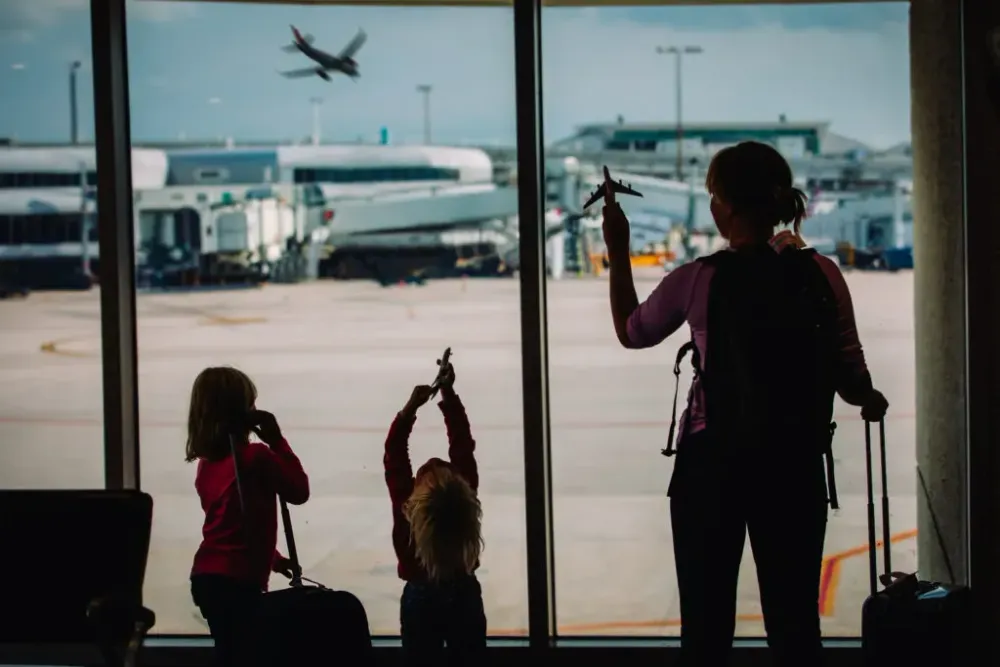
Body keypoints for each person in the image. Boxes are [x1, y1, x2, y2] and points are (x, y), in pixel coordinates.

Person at [601, 143, 889, 667]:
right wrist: (870, 398)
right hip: (794, 469)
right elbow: (852, 378)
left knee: (707, 629)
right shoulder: (820, 273)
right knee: (795, 624)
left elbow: (631, 330)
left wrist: (618, 248)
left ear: (726, 207)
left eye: (713, 195)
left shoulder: (699, 278)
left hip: (712, 469)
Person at [186, 366, 310, 667]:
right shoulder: (256, 457)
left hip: (208, 575)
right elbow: (298, 490)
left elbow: (233, 526)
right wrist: (277, 440)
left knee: (233, 652)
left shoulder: (207, 465)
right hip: (237, 581)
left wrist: (274, 558)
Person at [383, 356, 486, 666]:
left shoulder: (408, 513)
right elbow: (462, 445)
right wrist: (449, 395)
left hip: (419, 597)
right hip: (463, 594)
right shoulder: (463, 500)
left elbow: (394, 453)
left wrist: (410, 408)